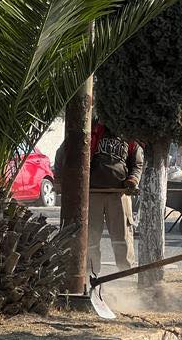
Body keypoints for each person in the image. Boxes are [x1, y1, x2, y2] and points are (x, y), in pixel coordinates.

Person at [55, 121, 144, 282]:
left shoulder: (129, 135)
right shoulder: (90, 130)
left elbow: (137, 163)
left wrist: (133, 179)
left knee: (122, 238)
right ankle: (91, 276)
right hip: (91, 193)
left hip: (119, 195)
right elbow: (62, 153)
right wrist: (59, 179)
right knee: (90, 239)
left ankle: (126, 276)